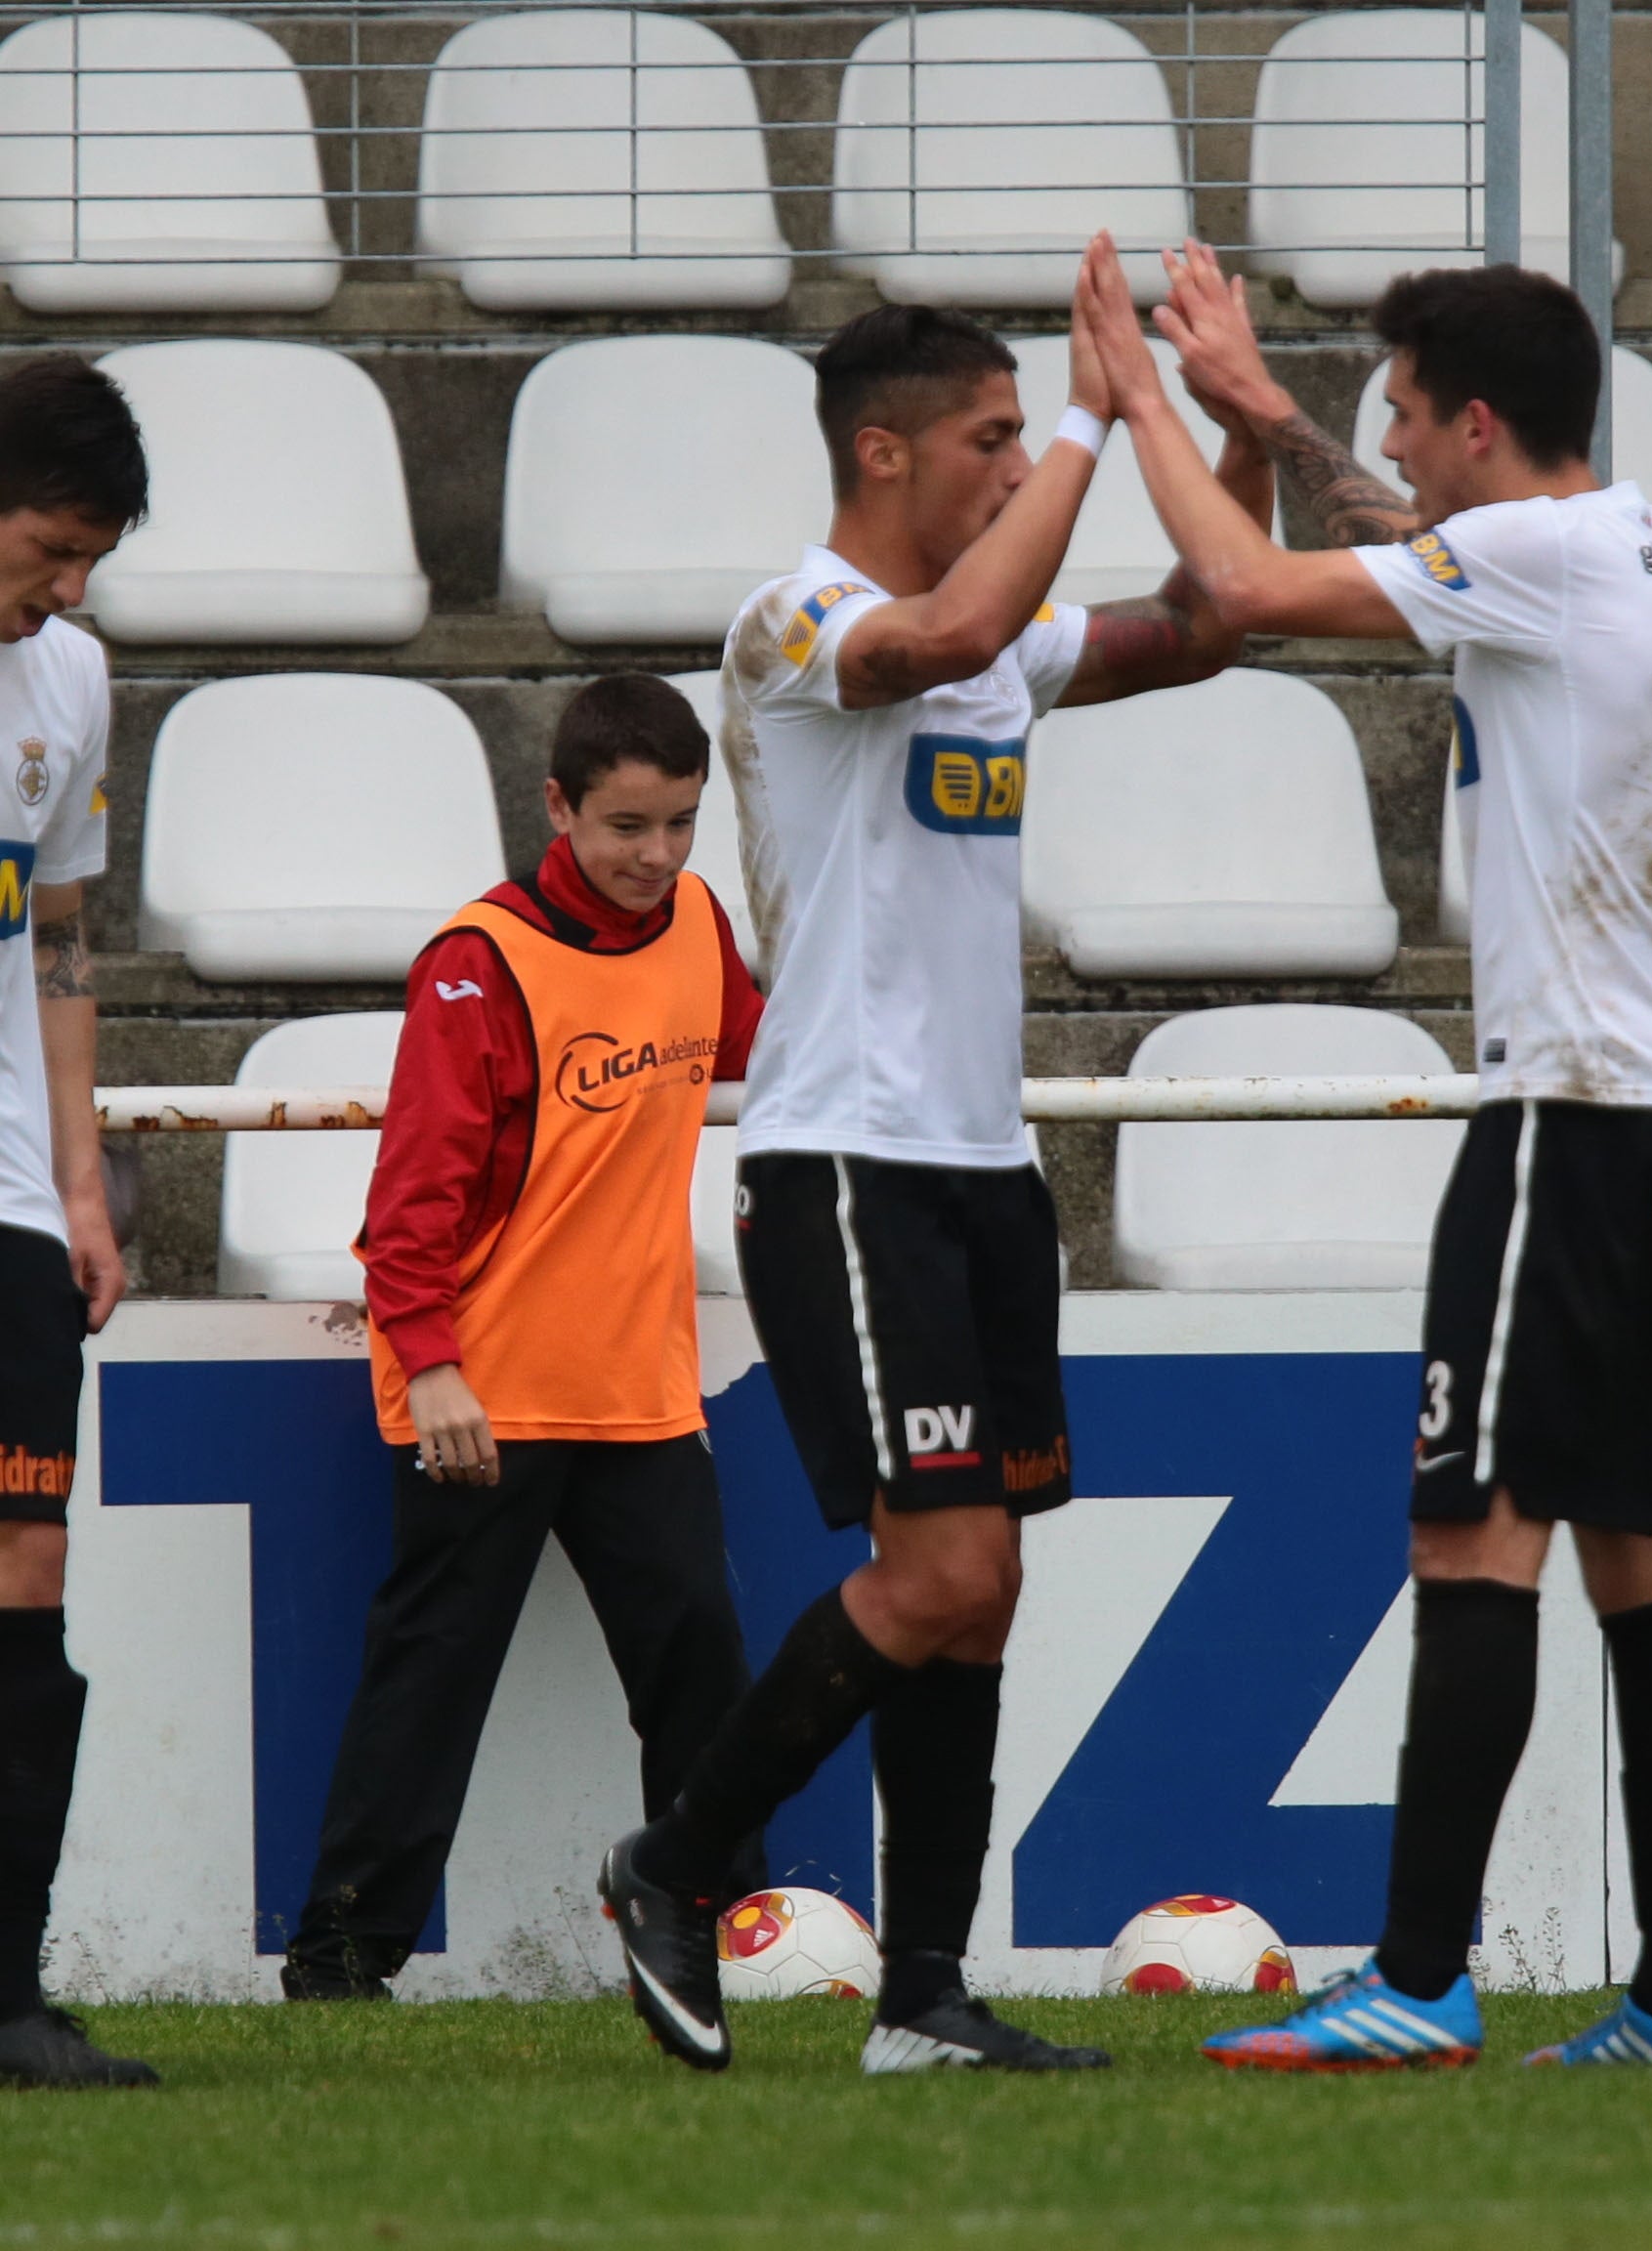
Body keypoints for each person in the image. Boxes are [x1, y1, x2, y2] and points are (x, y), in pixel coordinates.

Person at [1078, 237, 1652, 2071]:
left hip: (1574, 1127)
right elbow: (1400, 535)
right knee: (1650, 1558)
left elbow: (1239, 586)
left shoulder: (1540, 559)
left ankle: (1419, 1975)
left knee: (1470, 1533)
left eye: (1400, 409)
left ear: (1475, 422)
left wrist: (1146, 396)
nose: (1384, 439)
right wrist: (1274, 412)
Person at [599, 263, 1271, 2078]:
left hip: (982, 1168)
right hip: (848, 1164)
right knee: (943, 1571)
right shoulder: (797, 623)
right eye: (990, 440)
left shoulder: (998, 642)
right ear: (882, 451)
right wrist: (1095, 409)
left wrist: (1218, 420)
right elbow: (954, 634)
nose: (1017, 469)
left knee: (984, 1590)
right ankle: (673, 1863)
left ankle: (923, 1994)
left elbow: (1208, 624)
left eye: (1025, 437)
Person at [283, 677, 766, 2002]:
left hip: (642, 1389)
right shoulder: (479, 961)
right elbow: (411, 1202)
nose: (657, 855)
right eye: (627, 826)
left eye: (680, 823)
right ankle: (338, 1958)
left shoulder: (699, 923)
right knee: (429, 1682)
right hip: (482, 1393)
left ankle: (722, 1932)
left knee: (701, 1669)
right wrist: (432, 1363)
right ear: (558, 806)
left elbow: (761, 1052)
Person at [0, 357, 148, 2090]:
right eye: (49, 548)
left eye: (93, 556)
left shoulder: (73, 678)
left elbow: (60, 939)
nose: (68, 586)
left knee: (27, 1573)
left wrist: (79, 1180)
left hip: (12, 1205)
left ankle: (9, 1993)